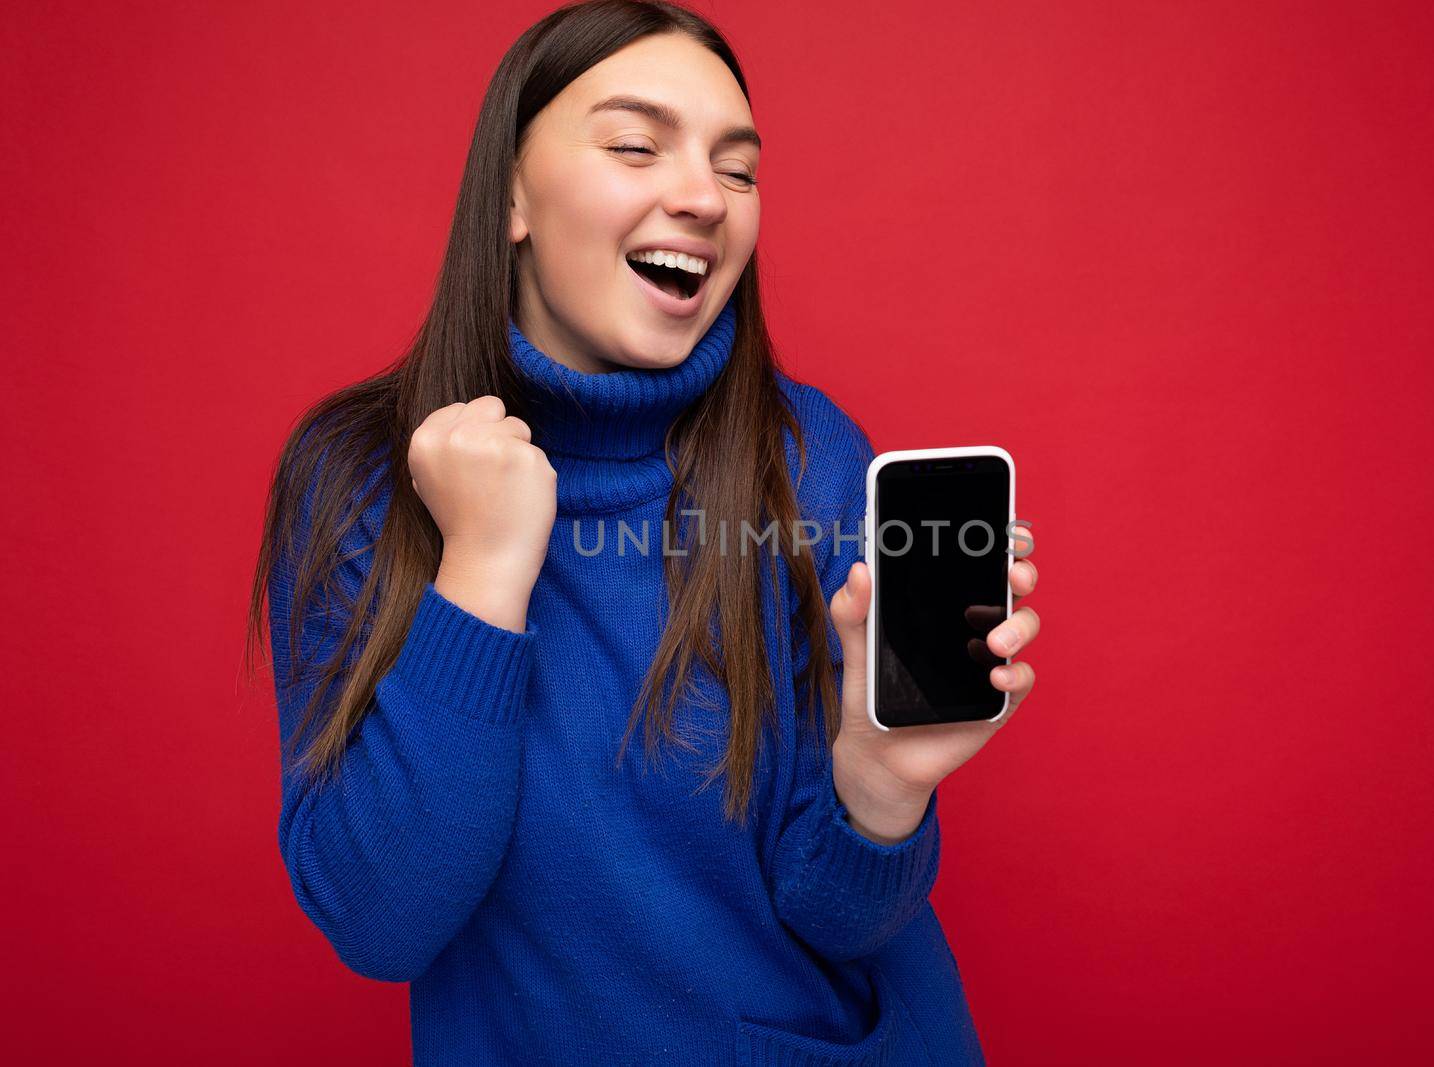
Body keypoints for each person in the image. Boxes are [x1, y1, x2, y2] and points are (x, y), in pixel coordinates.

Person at [244, 2, 1042, 1063]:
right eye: (634, 145)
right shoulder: (359, 478)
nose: (703, 197)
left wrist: (883, 785)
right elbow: (382, 919)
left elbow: (842, 921)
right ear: (513, 193)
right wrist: (482, 570)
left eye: (739, 169)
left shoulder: (810, 460)